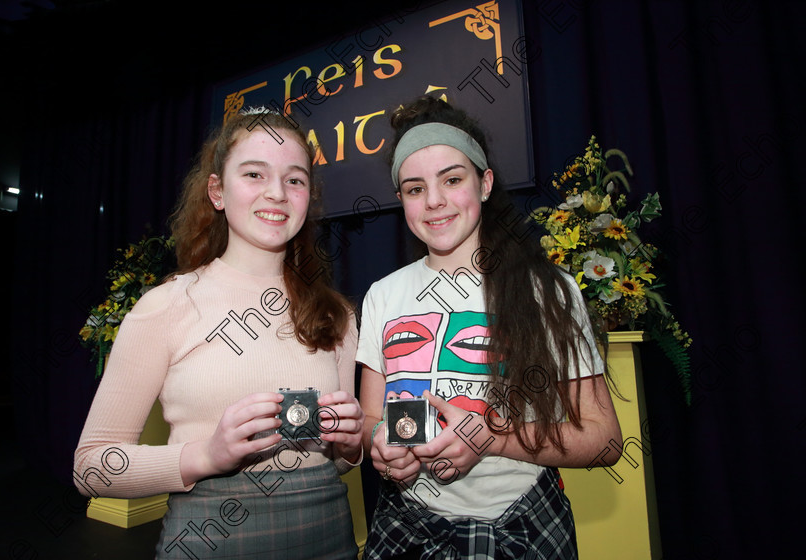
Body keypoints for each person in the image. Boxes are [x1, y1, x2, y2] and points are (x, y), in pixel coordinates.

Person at [74, 108, 364, 559]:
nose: (277, 193)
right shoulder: (167, 305)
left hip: (330, 538)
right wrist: (205, 457)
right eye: (254, 173)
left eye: (295, 179)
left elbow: (344, 459)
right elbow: (92, 469)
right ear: (217, 191)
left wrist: (350, 444)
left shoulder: (338, 314)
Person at [357, 96, 622, 559]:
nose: (434, 201)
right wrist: (382, 449)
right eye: (415, 189)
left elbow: (605, 441)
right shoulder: (383, 294)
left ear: (484, 183)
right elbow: (368, 421)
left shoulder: (549, 290)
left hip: (522, 528)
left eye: (452, 180)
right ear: (400, 199)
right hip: (405, 528)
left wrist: (491, 439)